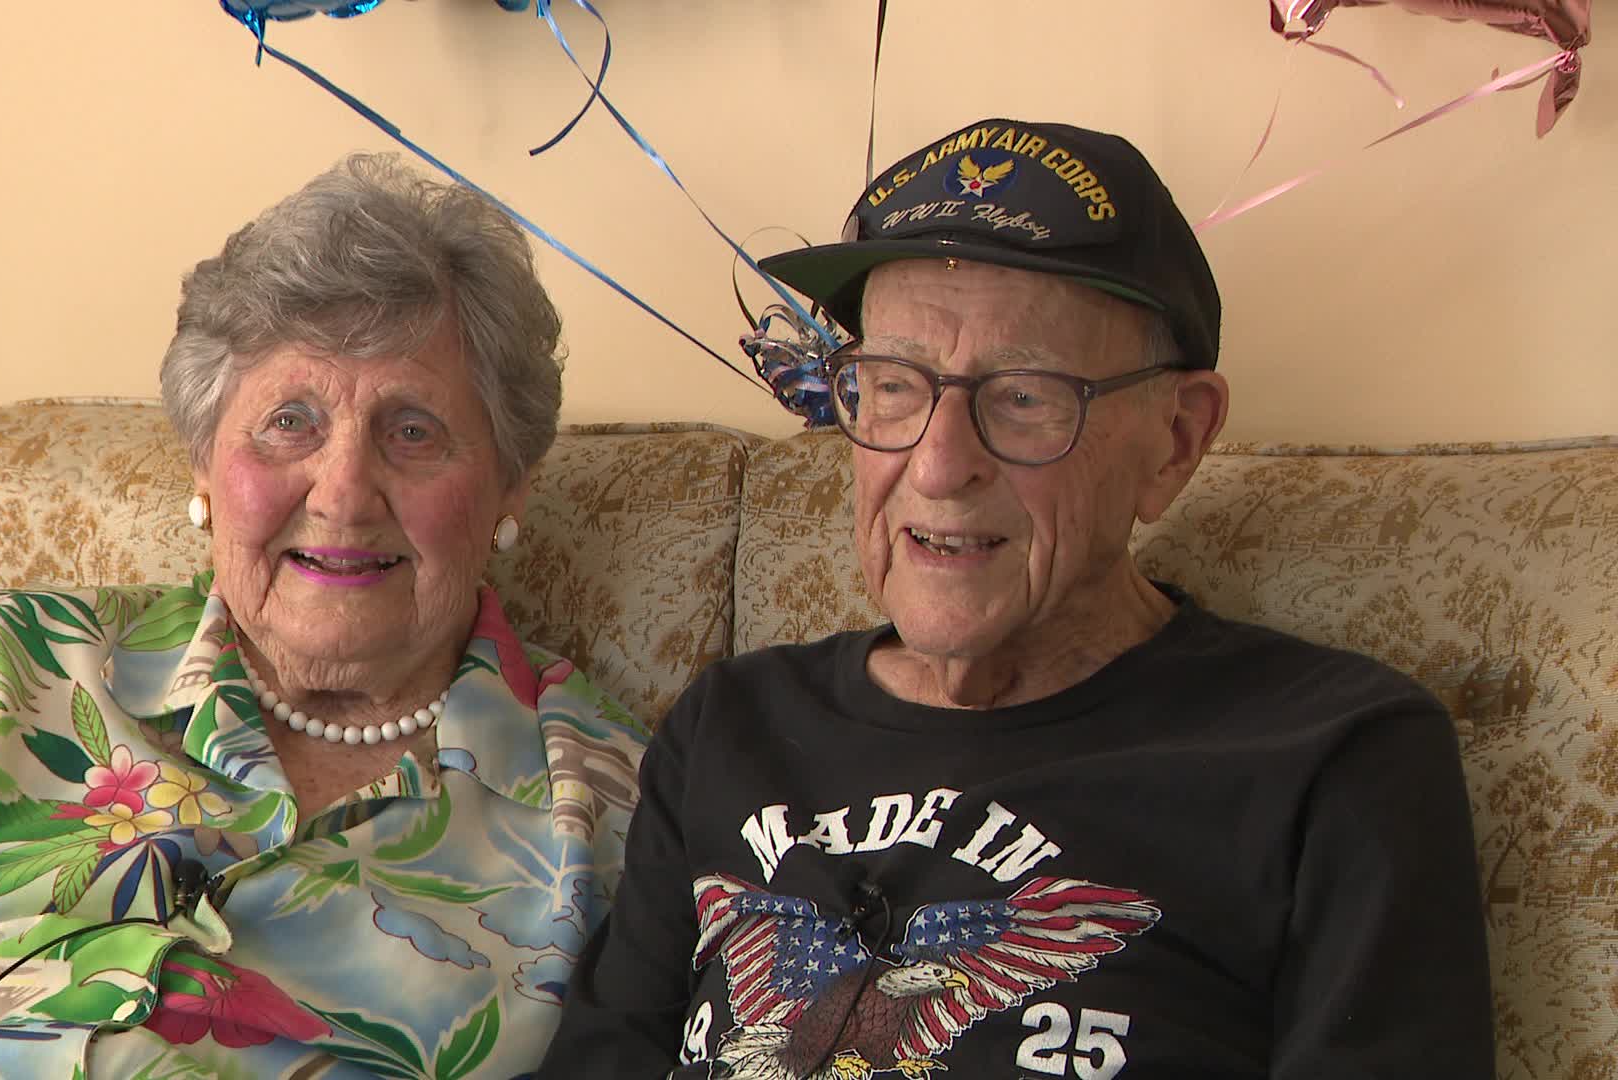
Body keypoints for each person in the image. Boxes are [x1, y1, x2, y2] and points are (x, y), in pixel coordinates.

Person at [541, 119, 1493, 1078]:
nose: (938, 465)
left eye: (1025, 396)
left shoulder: (1333, 755)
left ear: (1175, 441)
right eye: (894, 385)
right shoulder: (732, 723)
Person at [0, 153, 648, 1078]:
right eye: (290, 422)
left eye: (412, 431)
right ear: (203, 465)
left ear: (511, 484)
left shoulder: (617, 814)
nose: (343, 492)